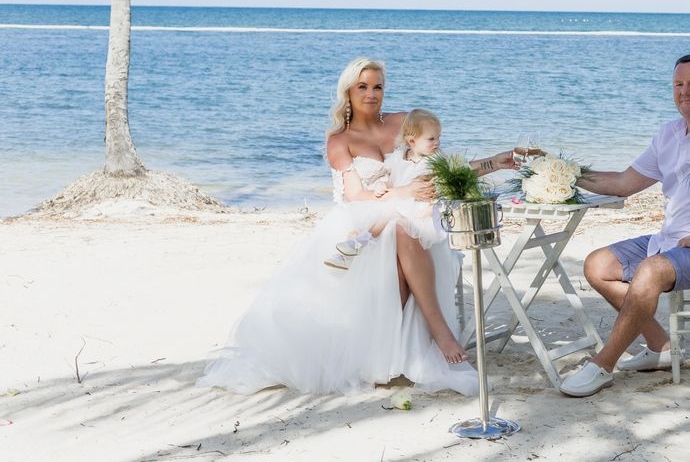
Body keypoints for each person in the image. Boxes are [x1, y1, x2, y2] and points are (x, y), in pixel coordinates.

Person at [197, 57, 518, 396]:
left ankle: (403, 350)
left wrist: (495, 162)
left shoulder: (404, 123)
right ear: (348, 91)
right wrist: (402, 192)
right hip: (365, 218)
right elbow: (355, 195)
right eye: (362, 87)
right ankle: (429, 340)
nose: (371, 94)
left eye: (377, 87)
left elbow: (442, 169)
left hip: (412, 220)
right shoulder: (340, 139)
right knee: (397, 231)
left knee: (403, 230)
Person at [559, 54, 690, 397]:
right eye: (679, 84)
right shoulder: (669, 134)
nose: (685, 91)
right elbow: (624, 182)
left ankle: (603, 364)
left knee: (651, 271)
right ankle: (661, 347)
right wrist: (564, 172)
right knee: (598, 265)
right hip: (672, 240)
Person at [326, 108, 450, 269]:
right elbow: (391, 179)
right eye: (431, 139)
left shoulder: (437, 160)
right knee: (377, 215)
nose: (437, 143)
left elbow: (443, 185)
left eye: (439, 137)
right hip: (402, 202)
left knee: (392, 211)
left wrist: (430, 208)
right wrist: (382, 186)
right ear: (412, 141)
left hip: (422, 208)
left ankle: (359, 242)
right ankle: (351, 250)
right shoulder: (400, 156)